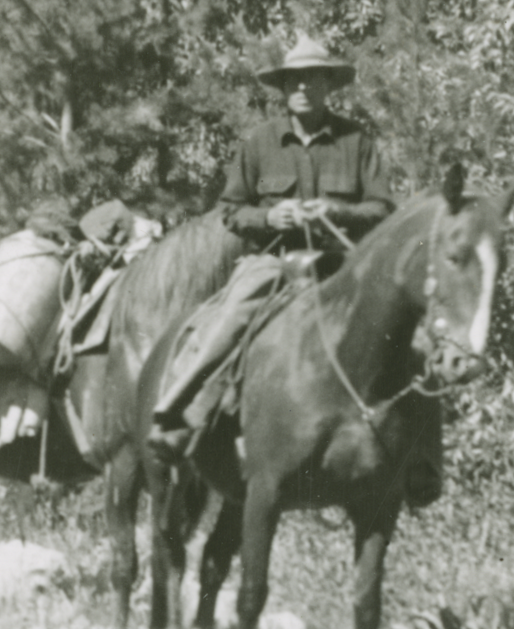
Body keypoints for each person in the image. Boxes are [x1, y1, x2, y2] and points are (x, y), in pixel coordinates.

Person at [147, 35, 392, 453]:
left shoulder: (357, 142)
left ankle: (415, 455)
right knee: (229, 319)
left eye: (312, 80)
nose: (302, 88)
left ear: (328, 86)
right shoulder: (260, 142)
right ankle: (179, 413)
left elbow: (383, 208)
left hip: (342, 265)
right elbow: (230, 211)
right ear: (282, 88)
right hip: (274, 263)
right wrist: (270, 217)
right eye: (293, 81)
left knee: (403, 327)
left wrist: (336, 212)